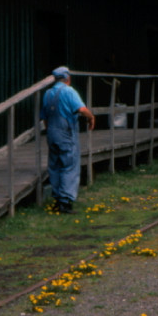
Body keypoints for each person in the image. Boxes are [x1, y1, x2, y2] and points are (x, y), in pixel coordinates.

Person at [40, 66, 95, 214]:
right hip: (66, 133)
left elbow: (44, 118)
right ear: (68, 79)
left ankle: (57, 199)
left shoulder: (48, 93)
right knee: (69, 165)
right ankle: (65, 202)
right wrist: (91, 117)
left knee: (55, 165)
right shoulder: (69, 91)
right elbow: (81, 110)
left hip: (52, 132)